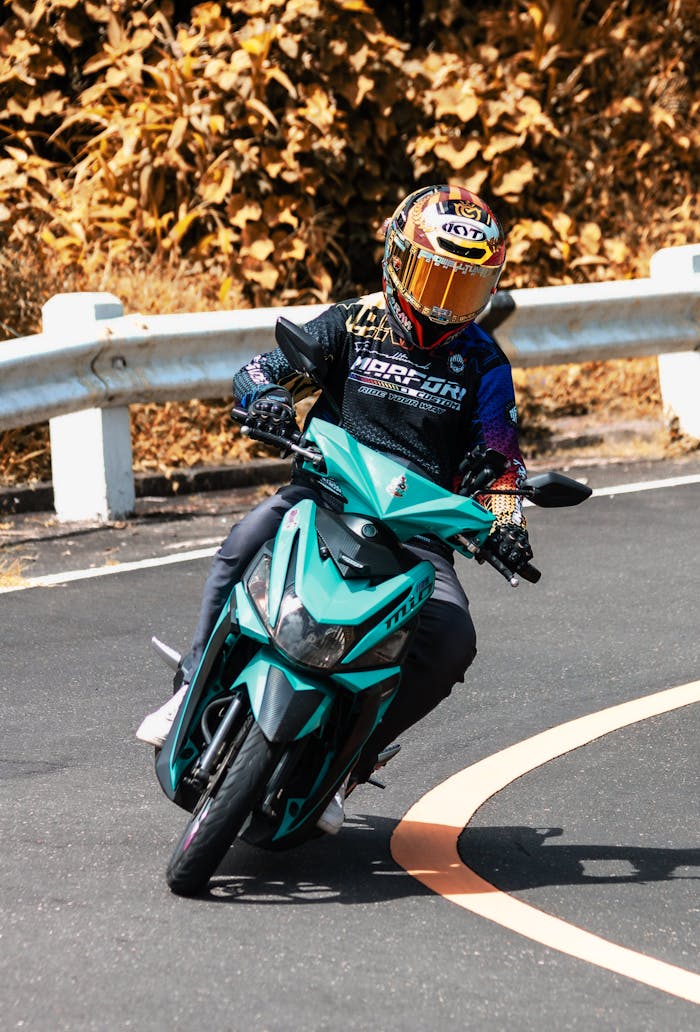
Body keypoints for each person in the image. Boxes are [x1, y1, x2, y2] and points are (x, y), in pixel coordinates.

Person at [136, 184, 533, 834]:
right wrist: (267, 399)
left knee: (451, 640)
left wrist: (508, 523)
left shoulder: (484, 364)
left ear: (488, 289)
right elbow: (261, 372)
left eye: (462, 289)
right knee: (243, 542)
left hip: (417, 535)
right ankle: (190, 684)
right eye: (432, 278)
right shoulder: (352, 322)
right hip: (320, 496)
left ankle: (351, 760)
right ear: (397, 261)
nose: (441, 303)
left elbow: (503, 462)